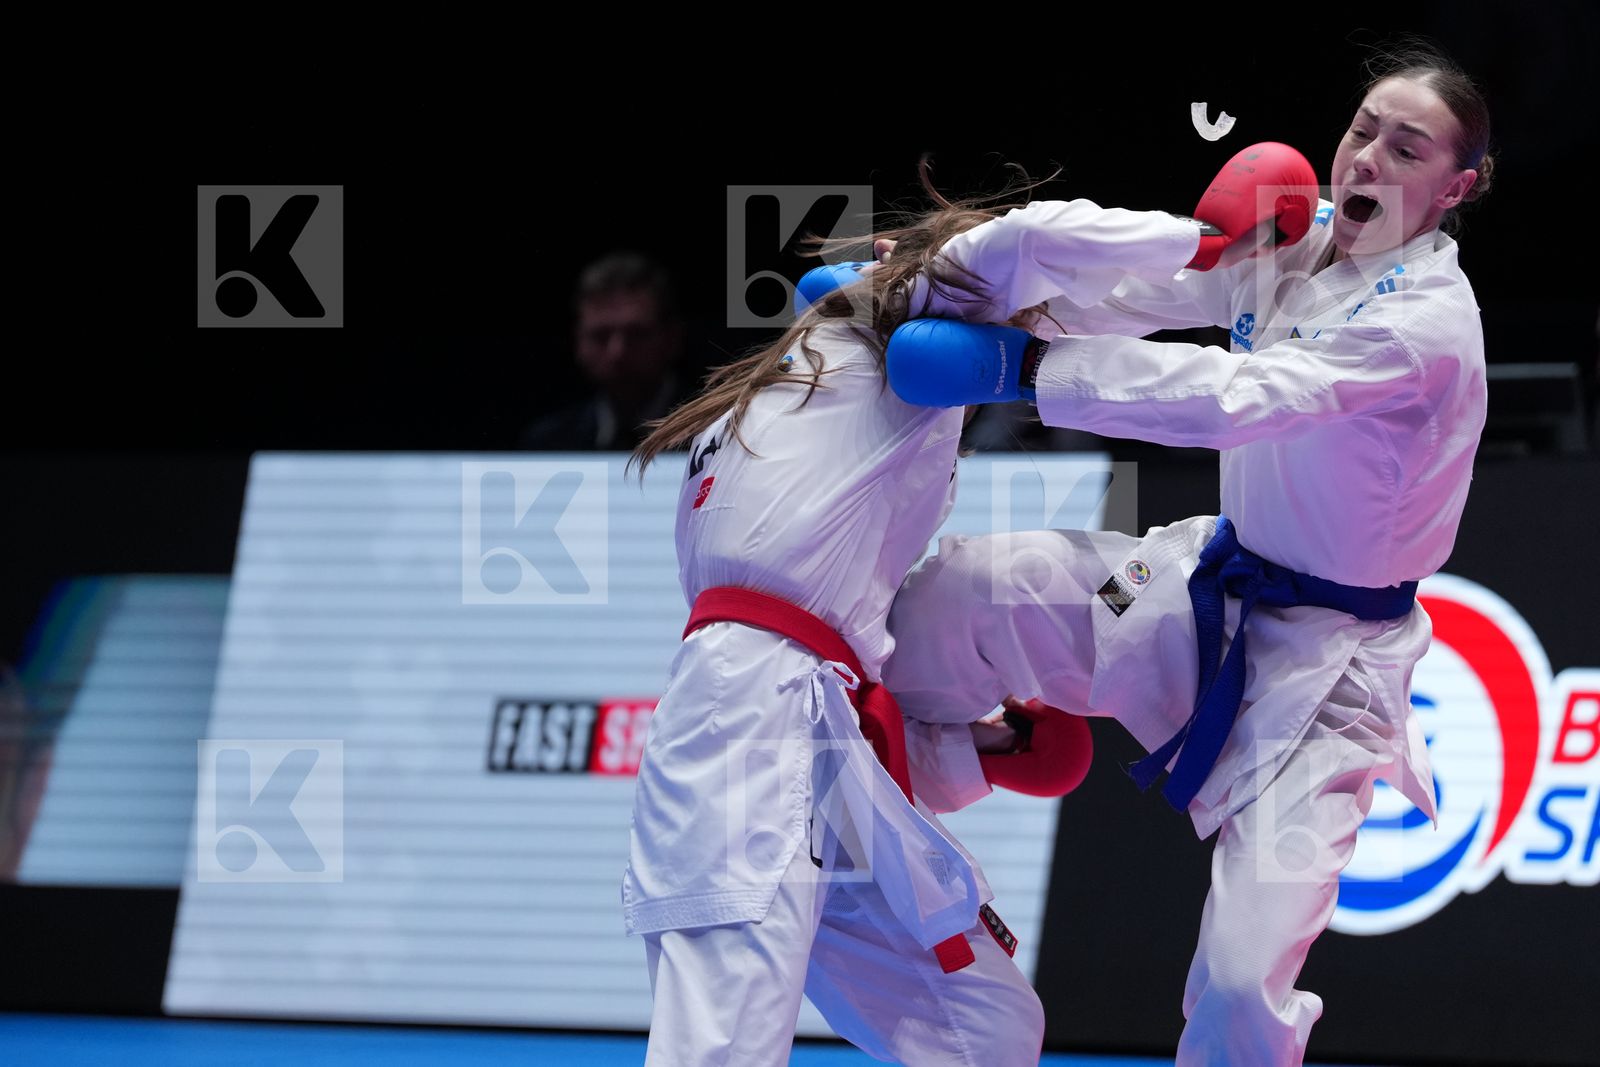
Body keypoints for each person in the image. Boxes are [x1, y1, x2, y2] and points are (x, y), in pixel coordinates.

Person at [878, 44, 1494, 1066]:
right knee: (970, 590)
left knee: (1241, 985)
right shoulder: (1297, 249)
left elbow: (1236, 398)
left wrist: (1024, 371)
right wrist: (960, 300)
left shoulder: (1423, 325)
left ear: (1453, 186)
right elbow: (1144, 296)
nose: (1368, 156)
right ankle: (923, 778)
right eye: (1361, 130)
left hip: (1327, 680)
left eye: (1406, 145)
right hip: (1197, 590)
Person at [618, 188, 1107, 1065]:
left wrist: (976, 748)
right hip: (749, 727)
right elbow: (1024, 261)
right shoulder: (876, 350)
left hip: (817, 731)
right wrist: (1218, 258)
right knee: (721, 1042)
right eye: (1024, 300)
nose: (1036, 320)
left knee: (982, 1026)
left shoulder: (835, 366)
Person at [519, 252, 693, 450]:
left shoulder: (714, 432)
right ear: (579, 340)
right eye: (600, 336)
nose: (617, 352)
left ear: (672, 337)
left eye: (636, 334)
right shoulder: (549, 444)